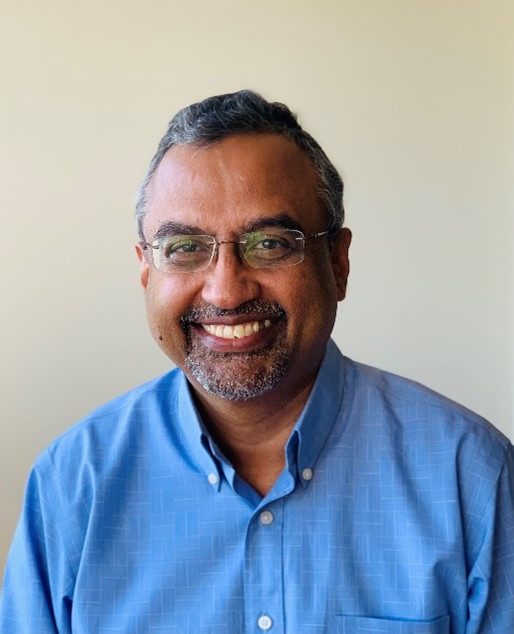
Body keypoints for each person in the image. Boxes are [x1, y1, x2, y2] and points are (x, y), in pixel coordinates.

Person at [1, 90, 513, 634]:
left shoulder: (469, 475)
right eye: (185, 247)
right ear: (146, 271)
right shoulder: (72, 486)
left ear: (338, 263)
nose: (226, 291)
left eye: (269, 243)